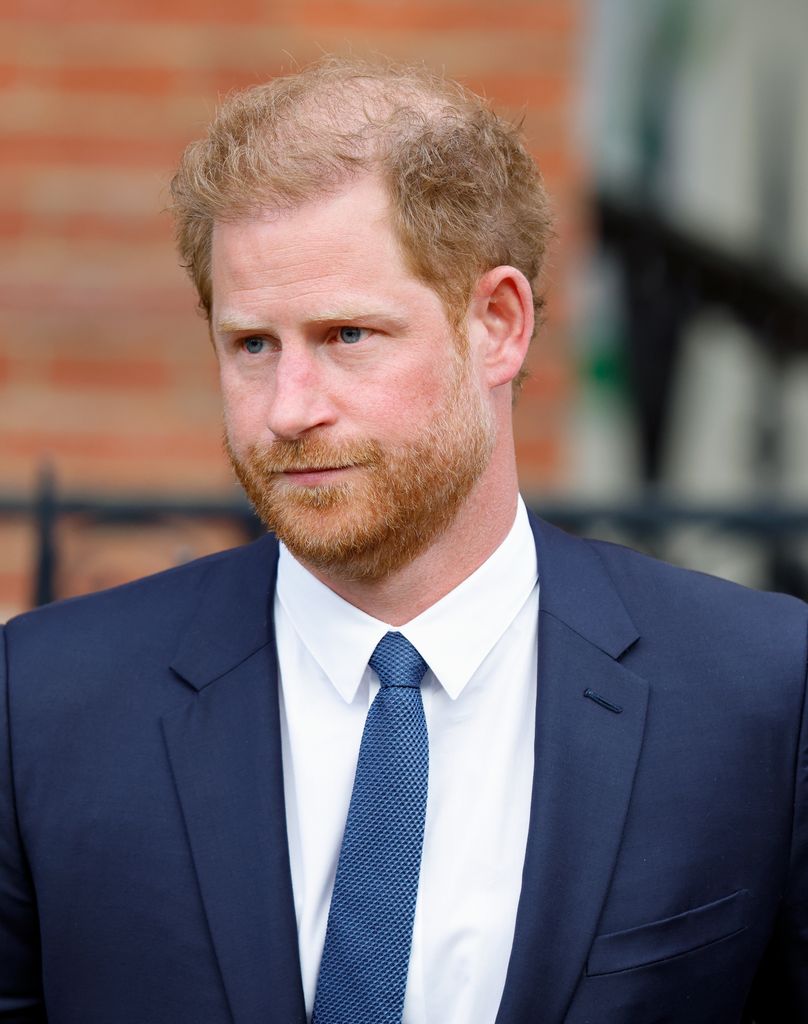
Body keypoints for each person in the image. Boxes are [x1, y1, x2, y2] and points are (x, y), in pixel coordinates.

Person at [0, 56, 806, 1024]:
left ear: (497, 325)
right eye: (253, 344)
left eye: (348, 335)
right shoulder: (42, 702)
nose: (288, 409)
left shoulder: (758, 692)